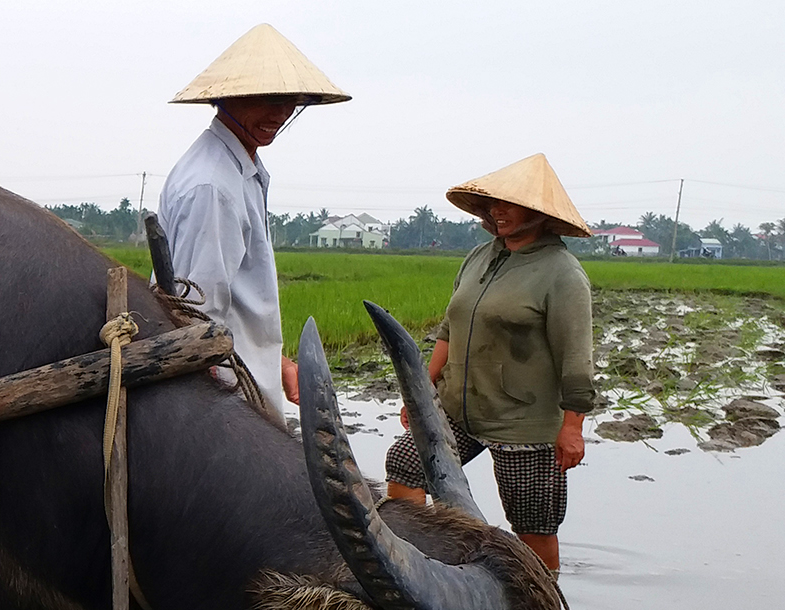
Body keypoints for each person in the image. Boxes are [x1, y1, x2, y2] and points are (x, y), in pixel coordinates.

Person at [385, 153, 595, 572]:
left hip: (523, 422)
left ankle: (546, 602)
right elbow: (449, 329)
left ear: (538, 213)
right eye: (494, 203)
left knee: (532, 524)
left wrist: (572, 428)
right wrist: (421, 394)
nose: (498, 211)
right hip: (460, 410)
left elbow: (576, 357)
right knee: (405, 464)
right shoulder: (480, 258)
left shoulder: (561, 273)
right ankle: (430, 568)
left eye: (510, 203)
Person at [159, 23, 349, 418]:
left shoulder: (239, 168)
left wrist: (277, 362)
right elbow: (198, 312)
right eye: (266, 99)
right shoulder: (213, 185)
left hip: (242, 379)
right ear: (229, 98)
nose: (279, 114)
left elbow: (239, 300)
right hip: (224, 398)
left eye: (289, 102)